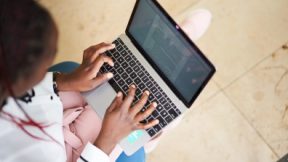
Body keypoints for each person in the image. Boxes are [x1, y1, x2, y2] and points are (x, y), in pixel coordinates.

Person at [0, 0, 212, 161]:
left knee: (106, 85)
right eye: (48, 59)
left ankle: (177, 43)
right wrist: (107, 140)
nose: (50, 64)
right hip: (76, 152)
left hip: (43, 114)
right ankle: (149, 139)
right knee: (136, 115)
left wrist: (61, 82)